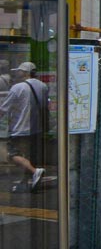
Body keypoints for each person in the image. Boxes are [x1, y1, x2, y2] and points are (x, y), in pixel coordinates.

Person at [0, 62, 49, 192]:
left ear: (26, 73)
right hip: (36, 128)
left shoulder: (18, 87)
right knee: (28, 157)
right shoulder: (43, 86)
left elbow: (4, 108)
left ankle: (34, 172)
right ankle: (26, 182)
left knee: (11, 154)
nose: (17, 73)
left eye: (20, 71)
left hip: (20, 128)